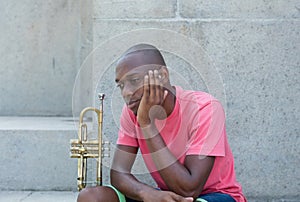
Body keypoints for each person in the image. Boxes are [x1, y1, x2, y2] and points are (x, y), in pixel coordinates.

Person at [77, 44, 247, 202]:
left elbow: (189, 190)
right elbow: (119, 173)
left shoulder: (204, 108)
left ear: (163, 76)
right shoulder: (131, 111)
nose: (127, 92)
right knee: (92, 197)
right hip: (166, 194)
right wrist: (149, 194)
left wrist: (146, 124)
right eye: (121, 85)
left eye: (134, 81)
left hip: (214, 196)